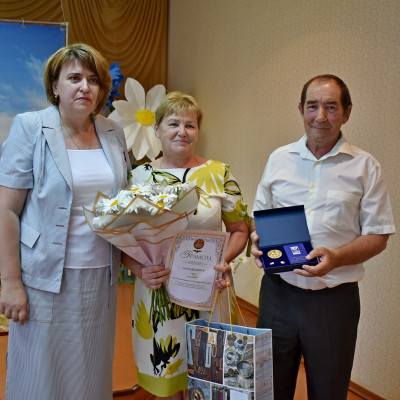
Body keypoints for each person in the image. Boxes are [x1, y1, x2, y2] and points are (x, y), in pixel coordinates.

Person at [251, 74, 396, 400]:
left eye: (331, 107)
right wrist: (257, 242)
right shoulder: (279, 159)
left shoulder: (365, 167)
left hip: (334, 302)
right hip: (277, 294)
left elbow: (378, 235)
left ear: (347, 113)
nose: (320, 116)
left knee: (329, 392)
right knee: (268, 389)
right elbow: (258, 218)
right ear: (301, 109)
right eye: (313, 106)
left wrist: (337, 258)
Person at [0, 43, 129, 400]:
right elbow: (6, 210)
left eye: (93, 80)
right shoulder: (30, 127)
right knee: (39, 378)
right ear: (55, 85)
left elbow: (124, 208)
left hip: (100, 278)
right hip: (43, 280)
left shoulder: (113, 132)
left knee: (89, 375)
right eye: (74, 78)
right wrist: (10, 283)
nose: (84, 87)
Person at [122, 91, 249, 400]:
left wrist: (223, 260)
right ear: (157, 129)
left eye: (190, 125)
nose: (182, 132)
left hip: (210, 290)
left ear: (198, 131)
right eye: (173, 123)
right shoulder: (138, 177)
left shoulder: (219, 173)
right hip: (159, 292)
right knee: (168, 377)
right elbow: (122, 238)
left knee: (209, 379)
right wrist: (139, 269)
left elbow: (239, 230)